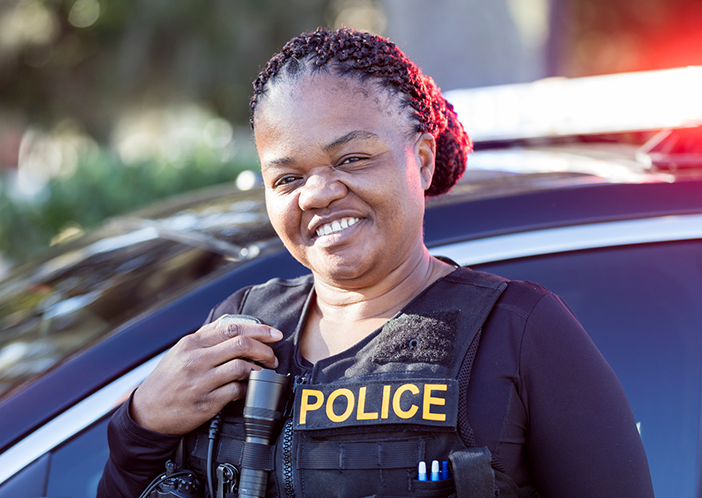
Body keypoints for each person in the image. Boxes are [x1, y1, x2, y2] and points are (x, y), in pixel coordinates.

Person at [98, 28, 654, 498]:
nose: (317, 193)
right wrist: (139, 425)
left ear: (423, 160)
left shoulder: (521, 331)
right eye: (287, 178)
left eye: (352, 158)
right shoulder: (238, 330)